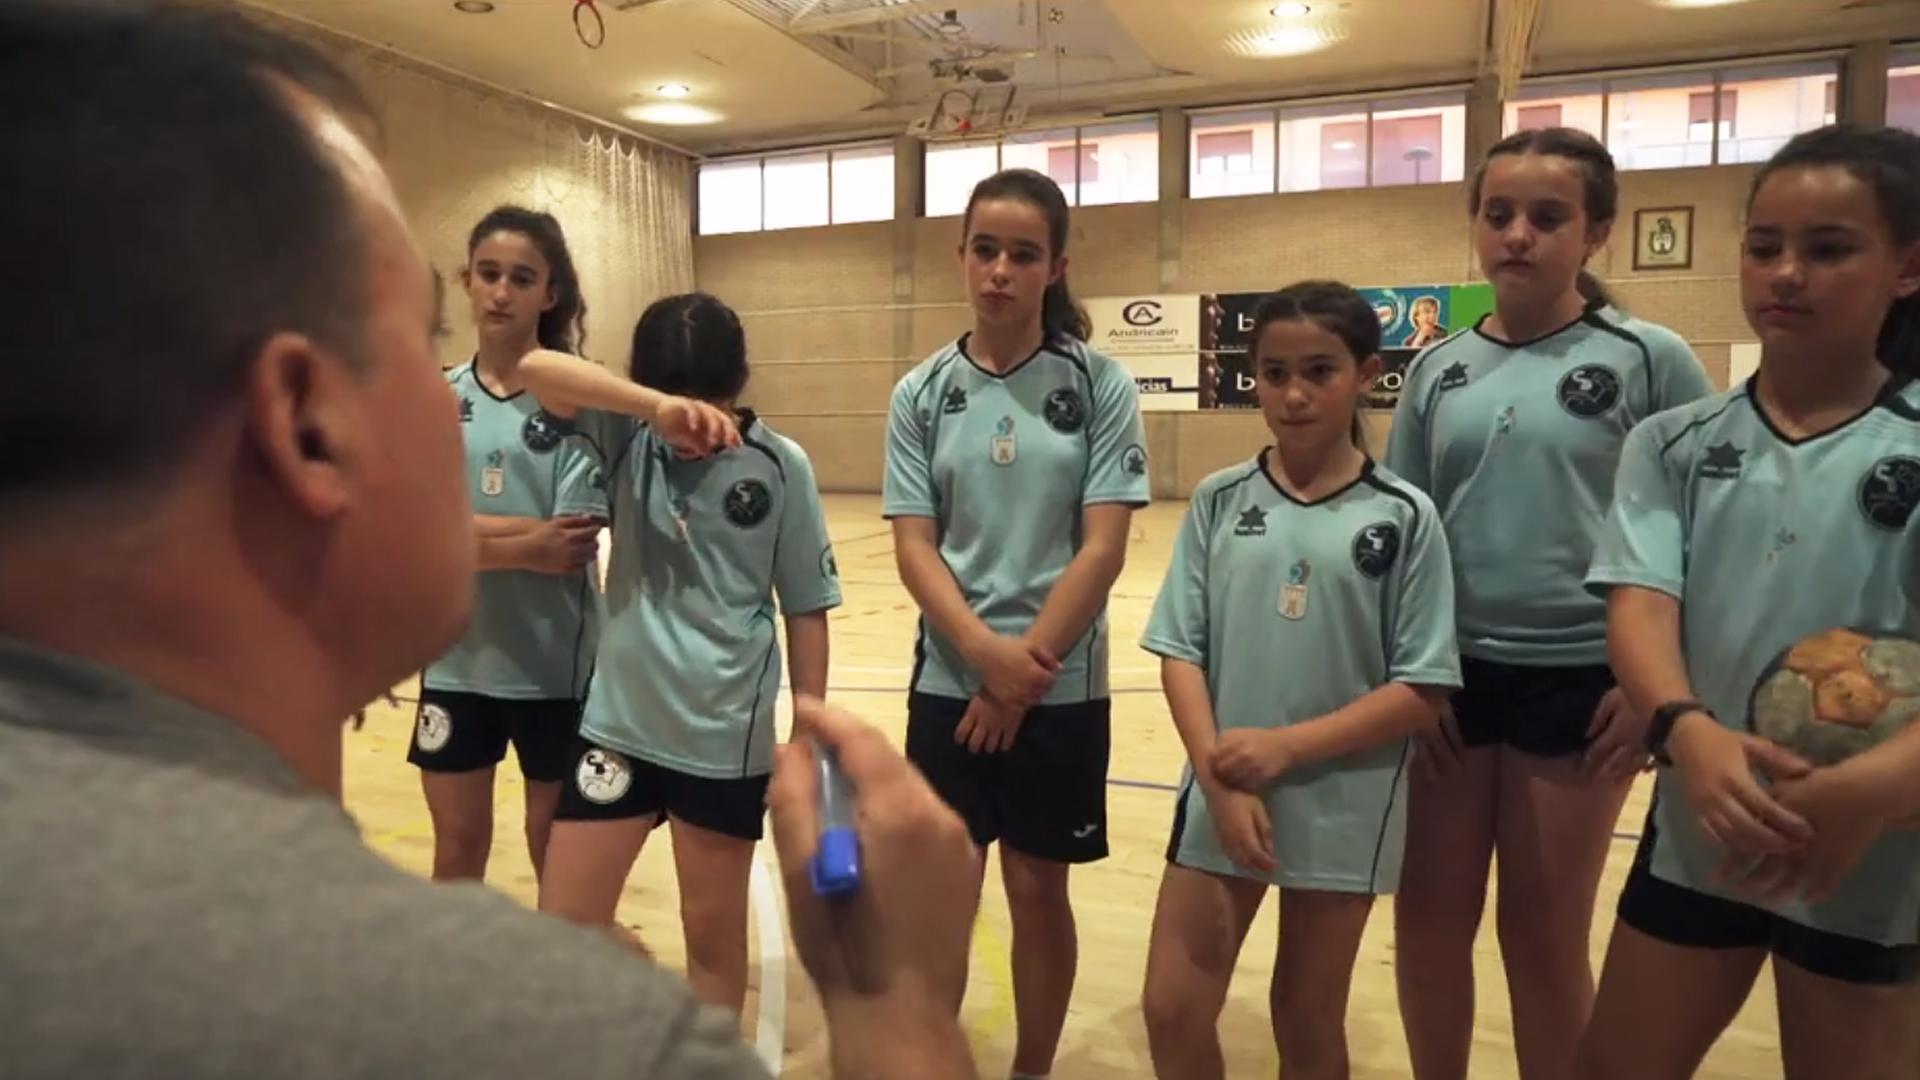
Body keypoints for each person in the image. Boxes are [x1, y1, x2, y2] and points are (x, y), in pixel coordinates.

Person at [0, 4, 979, 1077]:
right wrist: (896, 1005)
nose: (475, 381)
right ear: (306, 422)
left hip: (680, 726)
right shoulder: (492, 1021)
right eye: (426, 334)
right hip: (615, 727)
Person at [1577, 123, 1920, 1080]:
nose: (1787, 274)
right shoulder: (1673, 443)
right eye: (1765, 246)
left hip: (1878, 854)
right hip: (1704, 825)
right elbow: (1641, 605)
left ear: (1906, 267)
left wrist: (1871, 787)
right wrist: (1684, 727)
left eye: (1829, 248)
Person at [1384, 127, 1716, 1080]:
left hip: (1584, 683)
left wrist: (1653, 688)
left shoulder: (1650, 359)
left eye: (1547, 216)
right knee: (1428, 923)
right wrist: (1412, 679)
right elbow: (1406, 539)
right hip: (1449, 683)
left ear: (1597, 232)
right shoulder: (1437, 369)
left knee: (1541, 934)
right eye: (1498, 214)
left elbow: (1704, 532)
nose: (1518, 235)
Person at [1137, 282, 1461, 1080]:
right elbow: (1180, 650)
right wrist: (1218, 776)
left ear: (1367, 374)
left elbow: (1423, 689)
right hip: (1224, 789)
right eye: (1274, 373)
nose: (1293, 394)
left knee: (1306, 1015)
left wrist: (1287, 749)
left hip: (1344, 800)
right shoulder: (1218, 500)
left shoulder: (1405, 516)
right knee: (1172, 1007)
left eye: (1319, 371)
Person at [883, 167, 1149, 1080]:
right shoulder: (921, 392)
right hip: (949, 686)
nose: (1001, 270)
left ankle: (1031, 1068)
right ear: (960, 255)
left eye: (1024, 255)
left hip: (1058, 688)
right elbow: (915, 547)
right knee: (944, 901)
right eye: (986, 250)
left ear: (1056, 267)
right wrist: (980, 656)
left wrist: (1019, 675)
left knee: (1037, 893)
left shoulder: (1100, 385)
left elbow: (1103, 548)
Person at [520, 293, 840, 1016]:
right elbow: (537, 369)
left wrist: (806, 737)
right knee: (564, 925)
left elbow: (806, 609)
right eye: (679, 402)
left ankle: (705, 1063)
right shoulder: (628, 437)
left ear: (737, 386)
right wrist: (654, 408)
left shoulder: (780, 466)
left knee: (713, 947)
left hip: (721, 740)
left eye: (710, 403)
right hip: (619, 728)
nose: (695, 427)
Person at [411, 205, 605, 884]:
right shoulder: (434, 399)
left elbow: (570, 540)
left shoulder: (575, 401)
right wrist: (524, 544)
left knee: (554, 858)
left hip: (555, 671)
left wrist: (459, 532)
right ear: (466, 281)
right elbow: (416, 536)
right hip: (455, 665)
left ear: (549, 294)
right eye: (488, 274)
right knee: (456, 853)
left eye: (521, 279)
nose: (501, 292)